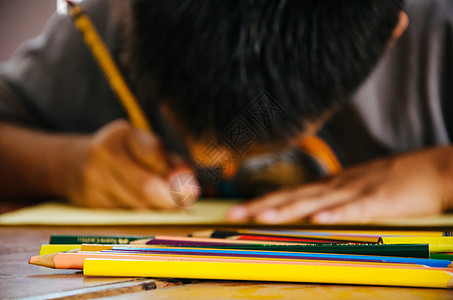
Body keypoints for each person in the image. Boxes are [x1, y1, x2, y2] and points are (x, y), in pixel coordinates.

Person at [0, 0, 446, 223]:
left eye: (252, 131)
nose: (209, 159)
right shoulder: (108, 23)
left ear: (389, 37)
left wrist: (443, 174)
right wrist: (63, 166)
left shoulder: (439, 34)